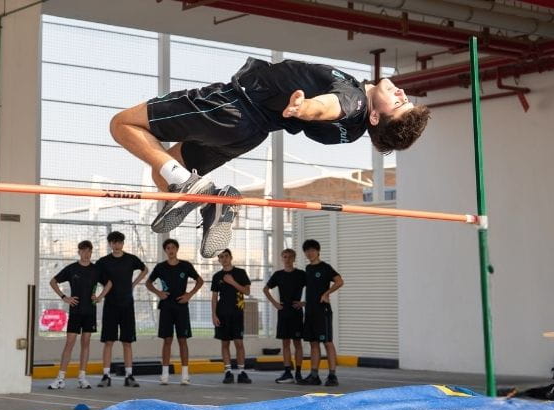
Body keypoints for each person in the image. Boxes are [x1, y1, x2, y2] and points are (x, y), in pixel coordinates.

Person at [109, 58, 430, 258]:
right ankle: (211, 203)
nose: (402, 94)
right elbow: (324, 123)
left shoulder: (355, 101)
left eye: (399, 104)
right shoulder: (352, 128)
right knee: (164, 175)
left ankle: (193, 189)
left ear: (375, 118)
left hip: (232, 106)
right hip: (248, 132)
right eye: (406, 99)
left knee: (122, 123)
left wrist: (304, 108)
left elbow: (329, 106)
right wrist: (304, 113)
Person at [47, 240, 112, 390]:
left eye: (89, 251)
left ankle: (82, 377)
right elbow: (53, 282)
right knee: (70, 342)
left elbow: (109, 283)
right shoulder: (72, 269)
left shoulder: (96, 270)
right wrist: (64, 297)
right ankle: (60, 378)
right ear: (79, 252)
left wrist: (100, 296)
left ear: (91, 252)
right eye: (83, 251)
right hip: (75, 311)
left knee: (86, 342)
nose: (86, 254)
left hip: (90, 311)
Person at [146, 238, 204, 386]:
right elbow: (148, 283)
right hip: (166, 307)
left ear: (177, 249)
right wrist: (159, 293)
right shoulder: (160, 267)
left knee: (183, 340)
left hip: (181, 307)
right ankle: (164, 374)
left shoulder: (185, 266)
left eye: (173, 247)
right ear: (165, 251)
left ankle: (185, 375)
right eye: (168, 248)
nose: (171, 250)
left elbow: (200, 281)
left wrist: (189, 295)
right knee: (167, 340)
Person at [95, 231, 148, 388]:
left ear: (122, 243)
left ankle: (129, 375)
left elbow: (145, 270)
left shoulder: (130, 259)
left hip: (127, 305)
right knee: (108, 341)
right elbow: (94, 276)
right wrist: (97, 293)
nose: (116, 245)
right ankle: (106, 375)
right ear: (110, 244)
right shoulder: (103, 262)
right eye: (113, 242)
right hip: (110, 305)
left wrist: (134, 283)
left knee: (127, 342)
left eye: (119, 242)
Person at [301, 239, 344, 386]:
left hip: (322, 311)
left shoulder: (325, 267)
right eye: (307, 251)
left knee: (327, 342)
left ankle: (332, 376)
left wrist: (327, 293)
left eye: (312, 250)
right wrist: (304, 303)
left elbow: (339, 281)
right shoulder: (307, 269)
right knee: (313, 343)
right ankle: (314, 375)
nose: (309, 253)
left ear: (318, 251)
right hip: (310, 311)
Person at [263, 248, 306, 384]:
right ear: (282, 259)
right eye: (285, 257)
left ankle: (298, 372)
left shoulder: (301, 274)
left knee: (297, 343)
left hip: (296, 312)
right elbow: (265, 289)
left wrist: (304, 302)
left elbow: (314, 289)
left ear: (294, 259)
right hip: (283, 312)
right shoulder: (278, 275)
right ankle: (288, 372)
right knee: (285, 343)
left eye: (289, 257)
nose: (287, 260)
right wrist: (275, 303)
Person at [211, 248, 252, 384]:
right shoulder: (217, 276)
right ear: (219, 260)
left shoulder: (240, 273)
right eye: (221, 257)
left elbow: (246, 291)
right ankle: (228, 372)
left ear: (231, 257)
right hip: (222, 314)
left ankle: (241, 372)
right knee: (225, 343)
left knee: (239, 343)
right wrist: (214, 315)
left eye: (226, 256)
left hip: (237, 313)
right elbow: (214, 297)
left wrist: (232, 282)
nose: (224, 259)